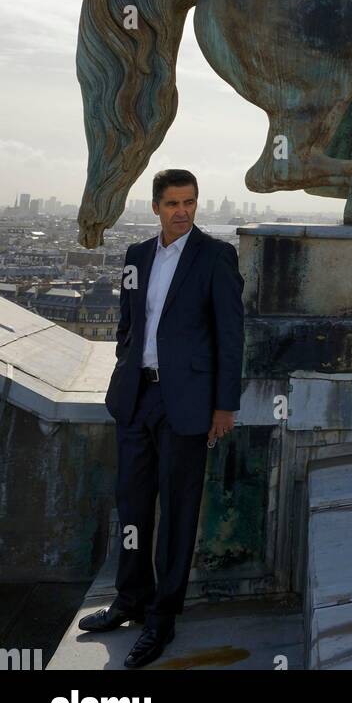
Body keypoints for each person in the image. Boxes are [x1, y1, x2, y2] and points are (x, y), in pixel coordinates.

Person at [78, 169, 244, 668]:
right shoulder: (136, 257)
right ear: (155, 207)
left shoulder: (216, 256)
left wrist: (224, 406)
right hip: (137, 400)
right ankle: (130, 599)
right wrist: (127, 369)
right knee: (131, 504)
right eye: (173, 203)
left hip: (187, 404)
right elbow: (129, 325)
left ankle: (163, 615)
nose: (183, 211)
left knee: (176, 511)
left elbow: (230, 336)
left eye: (190, 202)